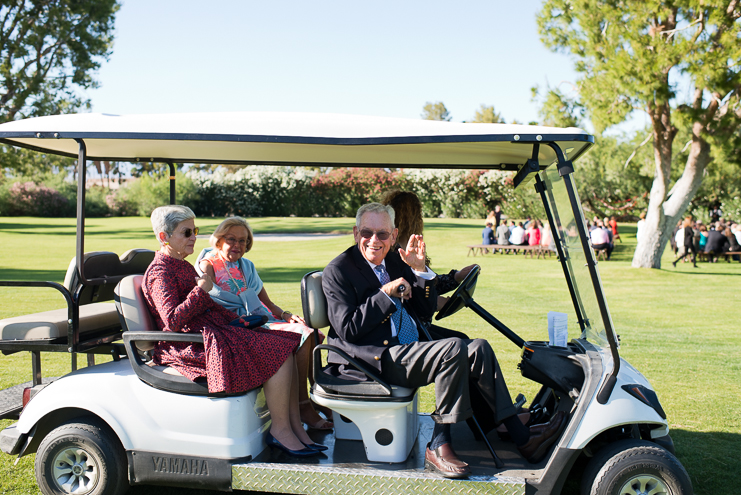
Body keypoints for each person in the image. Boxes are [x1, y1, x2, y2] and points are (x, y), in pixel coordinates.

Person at [322, 203, 565, 478]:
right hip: (373, 358)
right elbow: (347, 328)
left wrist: (421, 272)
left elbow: (425, 311)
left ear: (394, 234)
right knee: (452, 349)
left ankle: (518, 435)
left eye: (383, 234)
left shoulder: (392, 259)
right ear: (356, 233)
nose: (374, 240)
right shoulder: (338, 271)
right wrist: (385, 295)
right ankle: (438, 444)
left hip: (404, 343)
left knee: (478, 347)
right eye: (367, 232)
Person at [143, 205, 322, 457]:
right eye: (186, 233)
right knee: (279, 351)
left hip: (213, 333)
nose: (193, 237)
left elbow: (208, 308)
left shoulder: (180, 265)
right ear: (164, 237)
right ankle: (281, 431)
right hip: (190, 346)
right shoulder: (160, 272)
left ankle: (293, 426)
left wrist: (240, 322)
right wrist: (200, 290)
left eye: (194, 230)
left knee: (289, 341)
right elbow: (172, 320)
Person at [196, 216, 333, 431]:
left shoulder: (246, 265)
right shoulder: (208, 265)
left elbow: (266, 302)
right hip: (238, 326)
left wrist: (287, 315)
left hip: (260, 317)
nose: (237, 245)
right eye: (231, 239)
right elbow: (209, 302)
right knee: (302, 335)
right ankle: (304, 405)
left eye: (243, 241)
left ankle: (317, 395)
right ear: (219, 239)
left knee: (309, 330)